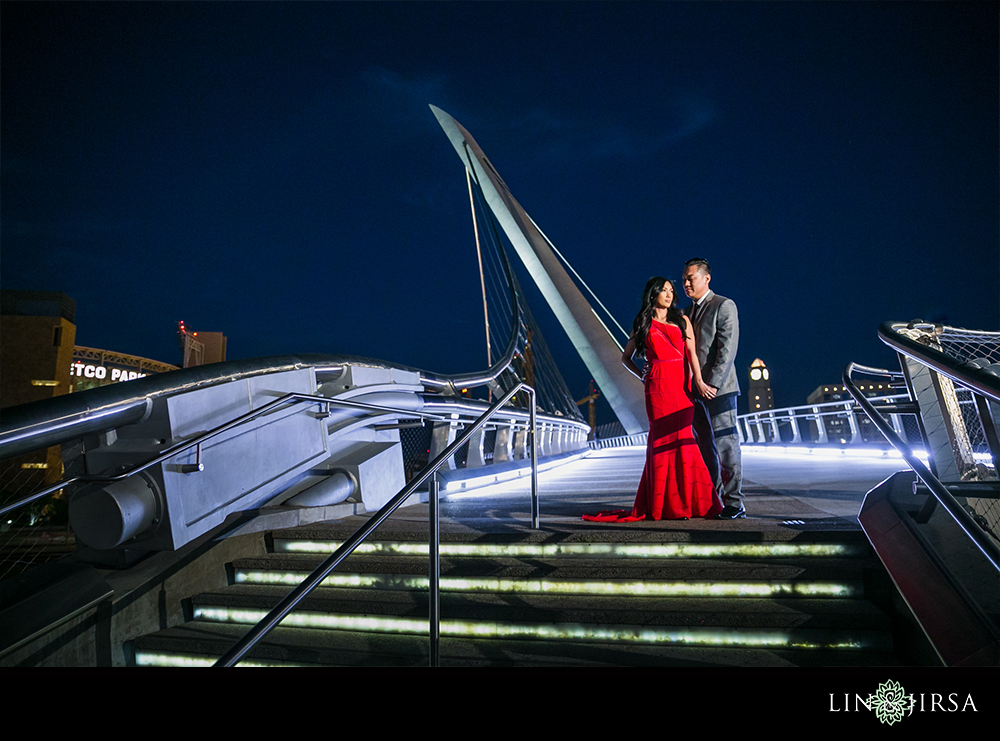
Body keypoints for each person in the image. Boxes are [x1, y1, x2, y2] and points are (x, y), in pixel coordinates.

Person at [583, 277, 723, 522]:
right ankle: (663, 505)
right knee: (660, 442)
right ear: (653, 294)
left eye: (671, 291)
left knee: (684, 440)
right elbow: (626, 358)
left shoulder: (682, 320)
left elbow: (691, 354)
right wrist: (642, 375)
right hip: (657, 388)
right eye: (664, 291)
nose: (669, 295)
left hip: (682, 387)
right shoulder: (643, 323)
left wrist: (698, 382)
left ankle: (690, 504)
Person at [682, 257, 745, 519]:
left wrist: (713, 385)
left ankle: (734, 503)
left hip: (719, 390)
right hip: (695, 391)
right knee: (705, 447)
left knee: (726, 444)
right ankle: (714, 499)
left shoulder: (724, 305)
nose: (686, 283)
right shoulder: (686, 312)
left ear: (706, 278)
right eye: (684, 279)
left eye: (691, 278)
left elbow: (727, 350)